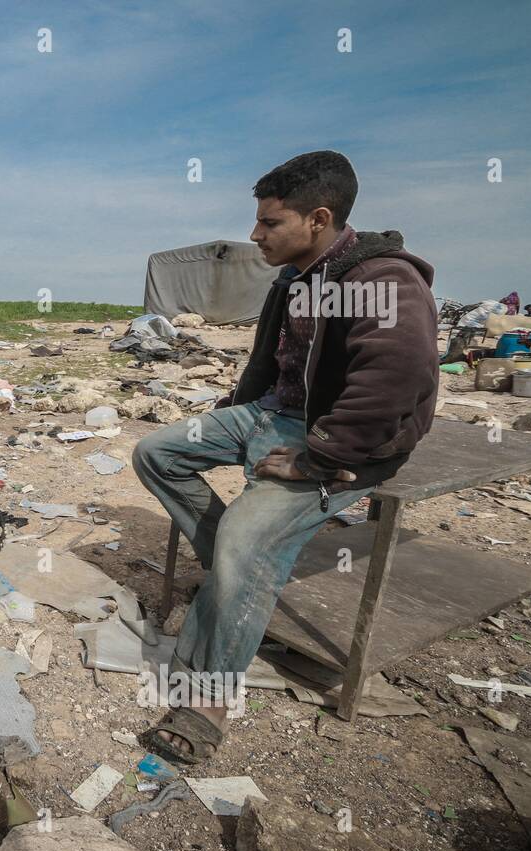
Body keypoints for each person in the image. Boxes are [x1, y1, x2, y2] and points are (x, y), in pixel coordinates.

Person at [131, 150, 438, 764]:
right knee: (156, 453)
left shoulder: (379, 281)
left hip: (336, 441)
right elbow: (271, 364)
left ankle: (209, 701)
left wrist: (315, 461)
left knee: (247, 535)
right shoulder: (293, 279)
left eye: (270, 223)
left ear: (318, 218)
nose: (254, 234)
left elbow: (395, 379)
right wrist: (234, 411)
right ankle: (238, 573)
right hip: (272, 412)